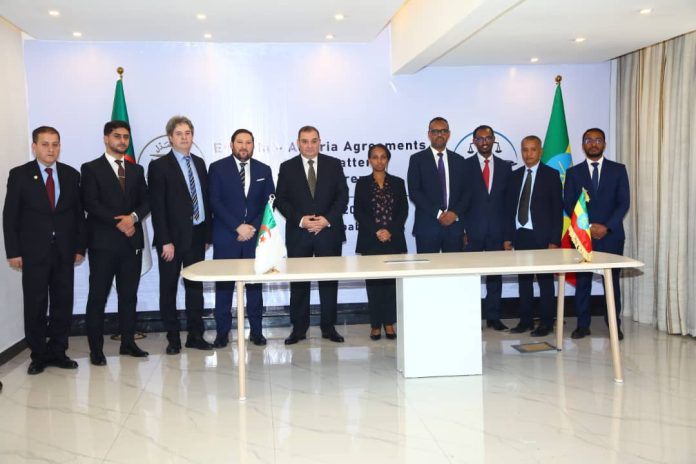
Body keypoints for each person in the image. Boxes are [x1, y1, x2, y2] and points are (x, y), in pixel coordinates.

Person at [3, 126, 86, 375]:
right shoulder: (20, 175)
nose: (51, 149)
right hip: (33, 253)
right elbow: (10, 216)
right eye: (45, 144)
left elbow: (78, 216)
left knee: (63, 302)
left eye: (55, 144)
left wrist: (79, 247)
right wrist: (13, 252)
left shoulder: (71, 175)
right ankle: (38, 354)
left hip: (65, 251)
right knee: (35, 303)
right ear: (34, 147)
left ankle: (58, 351)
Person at [81, 120, 150, 366]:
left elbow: (146, 201)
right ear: (106, 139)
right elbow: (90, 203)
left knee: (128, 296)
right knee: (97, 298)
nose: (122, 141)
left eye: (125, 137)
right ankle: (96, 350)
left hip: (131, 243)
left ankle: (128, 343)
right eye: (117, 136)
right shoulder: (91, 168)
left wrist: (133, 218)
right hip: (103, 244)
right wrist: (119, 222)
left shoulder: (136, 170)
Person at [275, 125, 349, 345]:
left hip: (328, 232)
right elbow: (281, 199)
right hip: (299, 234)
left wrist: (327, 220)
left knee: (329, 282)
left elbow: (342, 196)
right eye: (305, 141)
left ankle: (329, 327)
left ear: (320, 142)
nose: (309, 145)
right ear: (298, 143)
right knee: (299, 284)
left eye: (314, 141)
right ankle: (299, 329)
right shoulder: (287, 167)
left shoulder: (334, 164)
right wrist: (301, 220)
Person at [148, 116, 213, 354]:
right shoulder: (159, 166)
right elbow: (157, 207)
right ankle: (173, 338)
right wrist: (165, 240)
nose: (184, 137)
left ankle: (195, 336)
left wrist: (207, 235)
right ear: (170, 138)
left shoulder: (199, 163)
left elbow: (204, 200)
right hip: (171, 240)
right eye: (179, 133)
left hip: (197, 235)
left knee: (195, 289)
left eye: (188, 133)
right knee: (169, 289)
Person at [208, 129, 275, 347]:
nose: (244, 146)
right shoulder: (217, 168)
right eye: (240, 142)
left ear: (253, 145)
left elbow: (269, 202)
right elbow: (215, 201)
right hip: (227, 236)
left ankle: (256, 331)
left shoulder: (264, 169)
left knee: (255, 288)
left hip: (254, 237)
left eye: (248, 142)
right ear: (231, 144)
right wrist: (237, 227)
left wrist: (251, 227)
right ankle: (222, 333)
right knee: (224, 288)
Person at [564, 128, 630, 340]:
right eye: (589, 140)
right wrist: (588, 227)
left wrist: (606, 227)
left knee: (612, 282)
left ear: (604, 144)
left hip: (611, 235)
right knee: (583, 281)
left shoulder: (618, 170)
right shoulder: (574, 173)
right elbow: (569, 203)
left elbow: (623, 202)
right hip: (584, 235)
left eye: (598, 140)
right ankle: (582, 325)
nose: (593, 144)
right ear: (583, 145)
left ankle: (614, 324)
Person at [503, 136, 563, 336]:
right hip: (520, 235)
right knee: (524, 282)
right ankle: (525, 321)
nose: (528, 154)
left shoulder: (551, 175)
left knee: (545, 283)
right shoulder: (515, 176)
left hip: (543, 238)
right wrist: (508, 237)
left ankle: (546, 323)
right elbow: (509, 209)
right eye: (525, 150)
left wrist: (554, 241)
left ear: (541, 151)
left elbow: (557, 211)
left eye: (533, 149)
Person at [354, 144, 408, 340]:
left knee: (391, 285)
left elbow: (403, 211)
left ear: (388, 160)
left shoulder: (398, 182)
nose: (379, 160)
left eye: (383, 157)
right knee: (374, 285)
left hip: (393, 239)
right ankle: (375, 324)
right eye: (375, 157)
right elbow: (359, 211)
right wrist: (377, 230)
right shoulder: (362, 183)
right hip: (371, 240)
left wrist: (389, 231)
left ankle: (389, 323)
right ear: (369, 160)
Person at [462, 124, 512, 331]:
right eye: (480, 139)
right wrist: (463, 230)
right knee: (469, 276)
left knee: (495, 276)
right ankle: (470, 317)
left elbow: (508, 204)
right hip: (472, 231)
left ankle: (494, 317)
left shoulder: (505, 167)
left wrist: (508, 235)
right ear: (474, 142)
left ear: (494, 141)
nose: (484, 142)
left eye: (488, 138)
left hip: (497, 231)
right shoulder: (464, 166)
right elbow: (460, 201)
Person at [407, 117, 468, 253]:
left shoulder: (459, 160)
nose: (439, 134)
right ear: (429, 134)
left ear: (449, 134)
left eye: (443, 131)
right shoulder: (417, 159)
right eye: (435, 131)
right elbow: (414, 192)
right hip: (427, 227)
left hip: (454, 227)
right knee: (427, 266)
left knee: (454, 266)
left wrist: (454, 213)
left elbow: (466, 193)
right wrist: (439, 214)